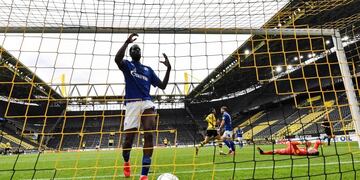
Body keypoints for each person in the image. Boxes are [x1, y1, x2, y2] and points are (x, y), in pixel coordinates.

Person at [115, 33, 171, 180]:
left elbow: (163, 86)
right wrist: (127, 42)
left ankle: (143, 175)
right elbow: (117, 59)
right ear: (130, 53)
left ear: (140, 53)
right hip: (132, 104)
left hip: (147, 102)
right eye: (133, 49)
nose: (136, 50)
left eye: (137, 48)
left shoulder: (148, 70)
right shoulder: (127, 65)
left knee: (149, 133)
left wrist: (169, 69)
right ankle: (126, 161)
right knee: (128, 140)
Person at [257, 140, 322, 156]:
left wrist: (303, 143)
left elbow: (293, 144)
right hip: (291, 147)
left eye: (313, 150)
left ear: (311, 153)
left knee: (276, 151)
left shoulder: (301, 152)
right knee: (288, 142)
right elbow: (317, 142)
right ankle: (282, 142)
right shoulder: (313, 150)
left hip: (289, 151)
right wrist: (322, 143)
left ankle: (263, 153)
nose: (314, 148)